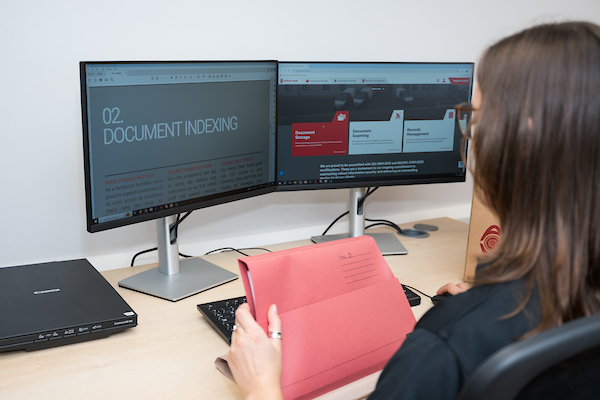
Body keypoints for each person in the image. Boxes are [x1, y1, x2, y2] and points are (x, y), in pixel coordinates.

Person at [226, 21, 600, 399]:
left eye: (477, 120)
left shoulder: (444, 345)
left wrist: (261, 386)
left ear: (519, 146)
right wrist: (493, 302)